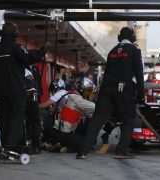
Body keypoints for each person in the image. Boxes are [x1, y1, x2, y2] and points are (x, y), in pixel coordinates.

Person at [76, 27, 144, 159]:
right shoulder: (134, 50)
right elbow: (139, 73)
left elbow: (106, 74)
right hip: (123, 88)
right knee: (129, 118)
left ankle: (82, 151)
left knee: (97, 120)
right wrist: (140, 94)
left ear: (119, 37)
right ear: (132, 37)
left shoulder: (112, 51)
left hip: (106, 89)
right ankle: (122, 151)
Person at [0, 22, 46, 147]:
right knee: (17, 118)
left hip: (0, 92)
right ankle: (11, 146)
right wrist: (42, 51)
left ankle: (4, 146)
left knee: (4, 118)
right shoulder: (16, 47)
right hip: (16, 91)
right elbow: (28, 59)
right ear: (15, 34)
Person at [51, 78, 95, 153]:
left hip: (58, 131)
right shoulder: (77, 99)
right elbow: (96, 108)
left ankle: (60, 144)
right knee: (88, 144)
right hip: (64, 134)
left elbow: (90, 115)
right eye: (88, 91)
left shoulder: (73, 96)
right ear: (82, 90)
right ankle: (66, 148)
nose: (90, 94)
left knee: (80, 139)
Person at [24, 69, 42, 154]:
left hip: (22, 94)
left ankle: (23, 146)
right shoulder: (29, 71)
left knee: (19, 121)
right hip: (33, 95)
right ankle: (36, 147)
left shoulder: (16, 69)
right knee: (35, 122)